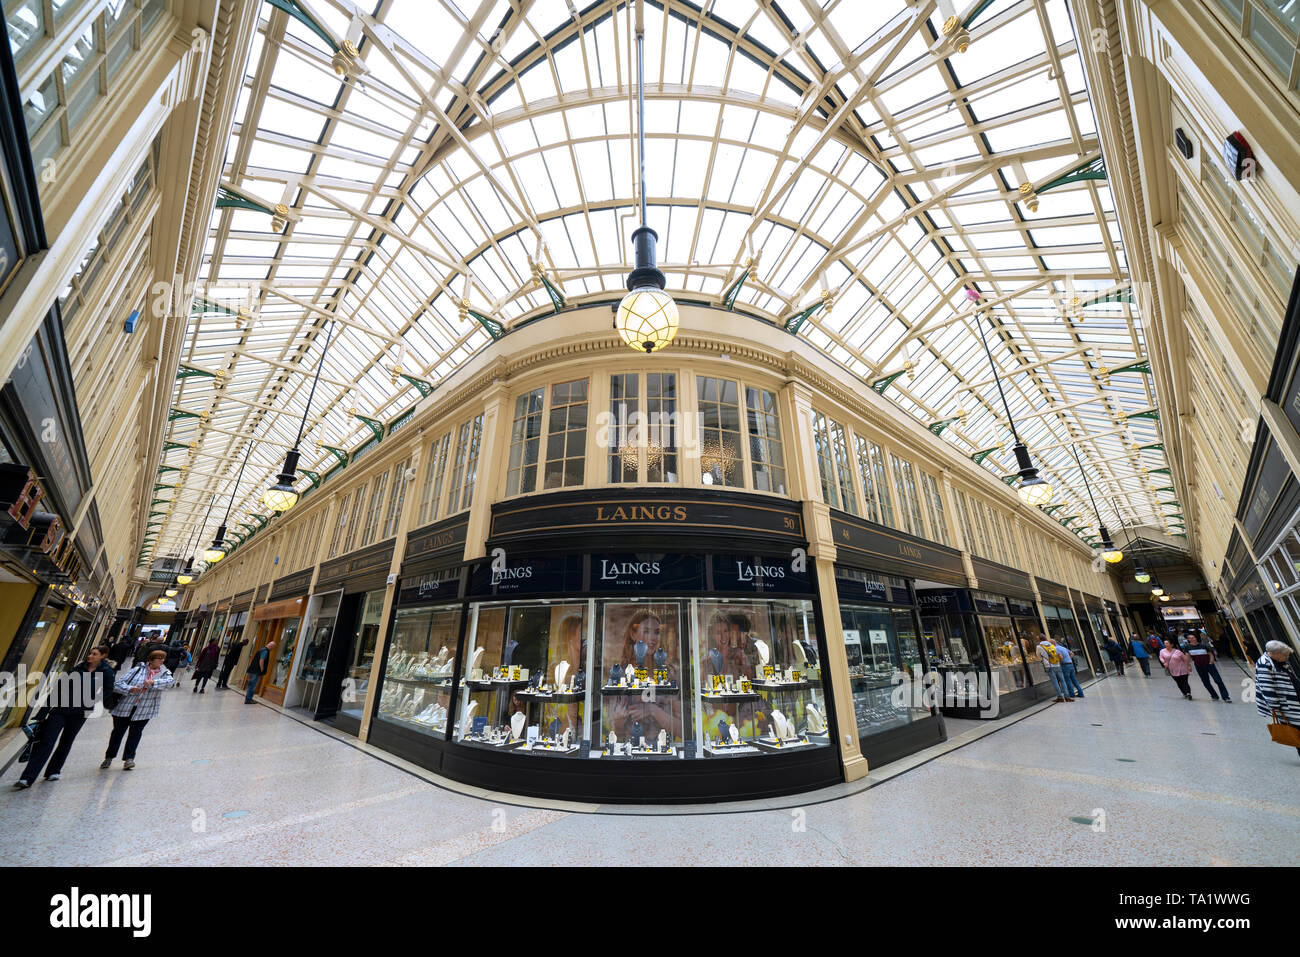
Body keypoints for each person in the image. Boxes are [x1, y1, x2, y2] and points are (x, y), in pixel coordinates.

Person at [12, 644, 114, 789]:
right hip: (60, 710)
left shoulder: (106, 672)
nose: (90, 656)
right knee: (47, 742)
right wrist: (44, 711)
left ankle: (53, 771)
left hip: (80, 712)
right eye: (90, 653)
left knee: (66, 741)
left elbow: (108, 689)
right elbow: (57, 689)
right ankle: (27, 778)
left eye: (94, 654)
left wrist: (95, 699)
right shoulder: (77, 669)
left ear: (103, 656)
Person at [102, 648, 175, 770]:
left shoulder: (164, 672)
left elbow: (169, 683)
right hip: (125, 706)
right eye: (159, 658)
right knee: (117, 733)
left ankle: (129, 758)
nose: (162, 661)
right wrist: (130, 689)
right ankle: (109, 757)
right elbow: (118, 684)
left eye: (163, 658)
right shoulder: (137, 670)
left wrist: (153, 683)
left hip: (144, 710)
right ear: (151, 659)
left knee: (135, 734)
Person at [1255, 640, 1300, 756]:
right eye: (1285, 655)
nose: (1287, 658)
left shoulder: (1276, 661)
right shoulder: (1264, 664)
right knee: (1296, 730)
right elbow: (1267, 687)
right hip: (1286, 705)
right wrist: (1275, 707)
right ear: (1275, 653)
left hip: (1292, 700)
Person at [1187, 634, 1231, 702]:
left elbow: (1210, 654)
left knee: (1218, 680)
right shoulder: (1188, 647)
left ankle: (1225, 697)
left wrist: (1211, 661)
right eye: (1191, 638)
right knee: (1206, 682)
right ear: (1189, 640)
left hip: (1209, 665)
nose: (1193, 639)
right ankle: (1214, 695)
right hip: (1199, 667)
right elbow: (1187, 656)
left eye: (1194, 637)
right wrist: (1188, 665)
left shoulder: (1203, 646)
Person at [1037, 636, 1071, 702]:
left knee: (1055, 682)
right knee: (1062, 681)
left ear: (1039, 639)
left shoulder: (1039, 647)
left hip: (1049, 666)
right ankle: (1067, 696)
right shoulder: (1052, 645)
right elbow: (1057, 655)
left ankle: (1060, 697)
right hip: (1057, 664)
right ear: (1046, 638)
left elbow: (1038, 656)